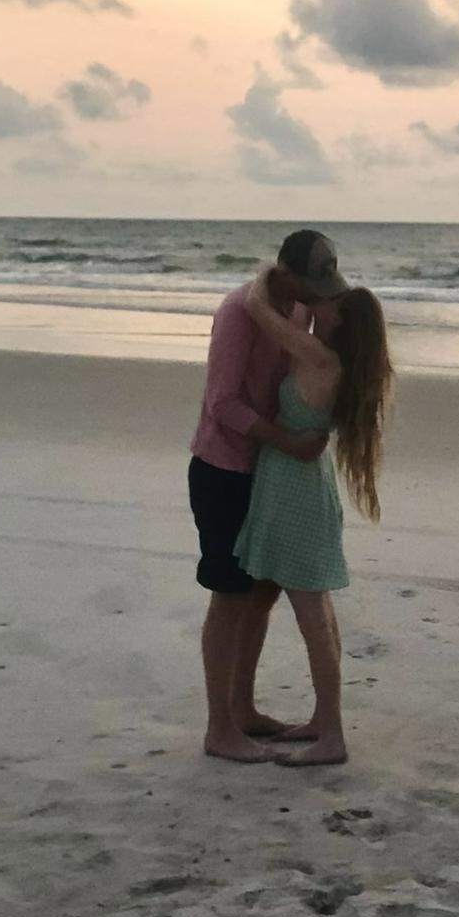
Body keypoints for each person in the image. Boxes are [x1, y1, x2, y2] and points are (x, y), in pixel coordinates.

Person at [188, 229, 348, 763]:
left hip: (268, 473)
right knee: (229, 597)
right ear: (287, 271)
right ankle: (219, 728)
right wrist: (289, 442)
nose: (319, 295)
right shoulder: (239, 312)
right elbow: (223, 404)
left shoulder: (295, 309)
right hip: (225, 467)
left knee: (261, 597)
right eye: (314, 282)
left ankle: (243, 709)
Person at [233, 269, 393, 767]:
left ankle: (333, 737)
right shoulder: (329, 356)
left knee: (312, 617)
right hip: (295, 486)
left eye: (331, 302)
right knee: (311, 609)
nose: (320, 304)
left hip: (297, 493)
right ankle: (324, 723)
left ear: (340, 322)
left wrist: (271, 275)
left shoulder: (320, 358)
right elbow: (297, 322)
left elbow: (260, 311)